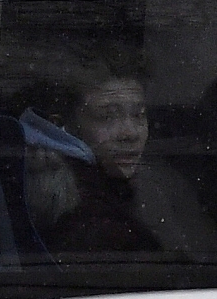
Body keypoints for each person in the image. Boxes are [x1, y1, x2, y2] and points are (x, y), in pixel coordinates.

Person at [21, 49, 217, 259]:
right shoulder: (84, 216)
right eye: (107, 117)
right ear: (65, 127)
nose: (130, 134)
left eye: (139, 115)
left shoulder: (159, 182)